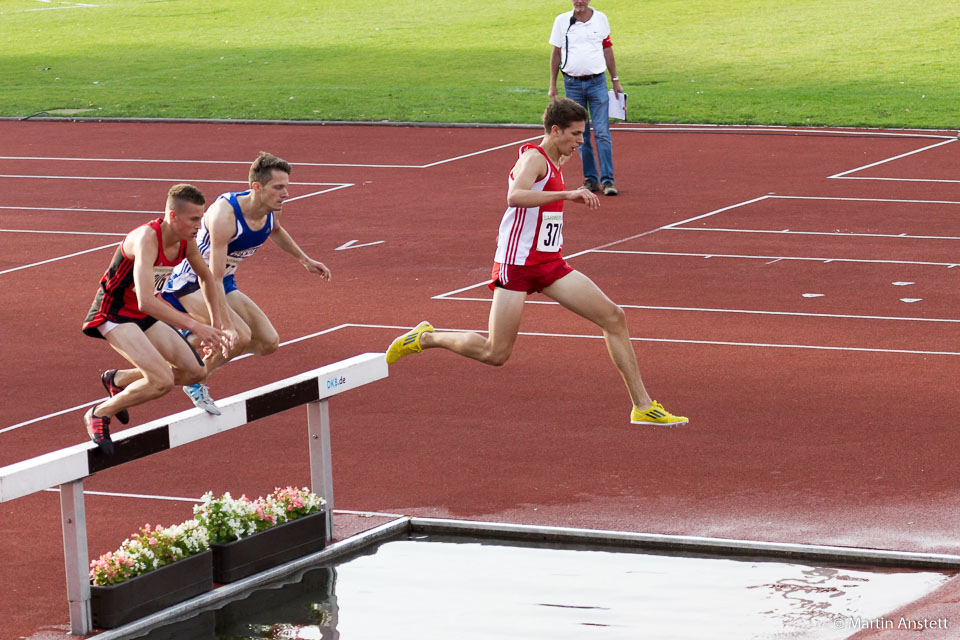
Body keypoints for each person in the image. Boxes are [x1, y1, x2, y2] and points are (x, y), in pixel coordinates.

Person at [385, 99, 686, 427]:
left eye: (583, 134)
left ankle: (642, 406)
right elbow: (515, 196)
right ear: (555, 131)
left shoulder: (557, 158)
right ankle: (426, 338)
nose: (581, 141)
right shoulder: (533, 158)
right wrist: (567, 194)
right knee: (495, 353)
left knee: (614, 317)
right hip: (516, 265)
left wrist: (564, 166)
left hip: (550, 265)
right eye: (575, 134)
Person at [161, 151, 332, 414]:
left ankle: (192, 339)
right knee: (238, 336)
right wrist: (226, 327)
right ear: (257, 187)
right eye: (278, 187)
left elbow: (275, 230)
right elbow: (212, 277)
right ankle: (195, 379)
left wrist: (305, 260)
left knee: (268, 342)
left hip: (224, 281)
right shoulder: (225, 216)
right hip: (193, 282)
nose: (286, 193)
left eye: (286, 187)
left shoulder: (269, 211)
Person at [82, 184, 235, 454]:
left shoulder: (186, 241)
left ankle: (117, 380)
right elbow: (145, 299)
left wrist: (215, 324)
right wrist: (195, 324)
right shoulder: (146, 239)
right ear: (173, 216)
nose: (200, 225)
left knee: (196, 373)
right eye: (194, 219)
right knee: (162, 381)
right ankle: (99, 412)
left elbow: (206, 277)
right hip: (114, 313)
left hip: (143, 314)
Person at [548, 0, 623, 196]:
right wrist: (552, 84)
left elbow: (607, 48)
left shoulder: (600, 19)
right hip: (572, 85)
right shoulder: (562, 21)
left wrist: (615, 80)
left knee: (602, 133)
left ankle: (608, 181)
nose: (579, 1)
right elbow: (556, 52)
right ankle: (591, 179)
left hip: (597, 83)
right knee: (580, 135)